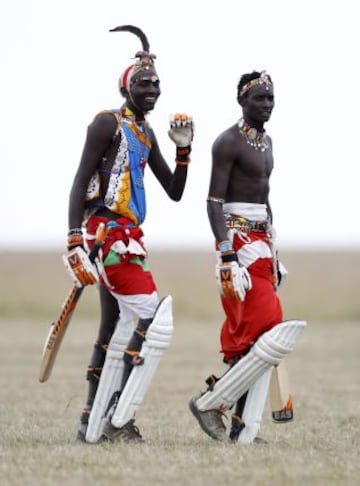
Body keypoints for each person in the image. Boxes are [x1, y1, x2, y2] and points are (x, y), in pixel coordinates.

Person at [62, 25, 194, 443]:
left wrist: (184, 151)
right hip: (106, 233)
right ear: (126, 85)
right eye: (143, 83)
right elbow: (81, 177)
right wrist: (74, 240)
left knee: (111, 324)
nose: (151, 89)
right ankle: (119, 414)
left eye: (156, 84)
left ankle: (91, 419)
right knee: (151, 315)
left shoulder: (146, 132)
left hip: (129, 234)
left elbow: (173, 192)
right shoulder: (107, 123)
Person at [188, 70, 305, 444]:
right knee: (267, 324)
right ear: (242, 101)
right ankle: (209, 402)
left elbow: (263, 198)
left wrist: (274, 255)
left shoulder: (267, 142)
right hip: (236, 243)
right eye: (259, 98)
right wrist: (227, 256)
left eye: (270, 98)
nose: (266, 105)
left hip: (262, 242)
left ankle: (243, 429)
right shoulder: (228, 142)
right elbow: (213, 202)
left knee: (260, 335)